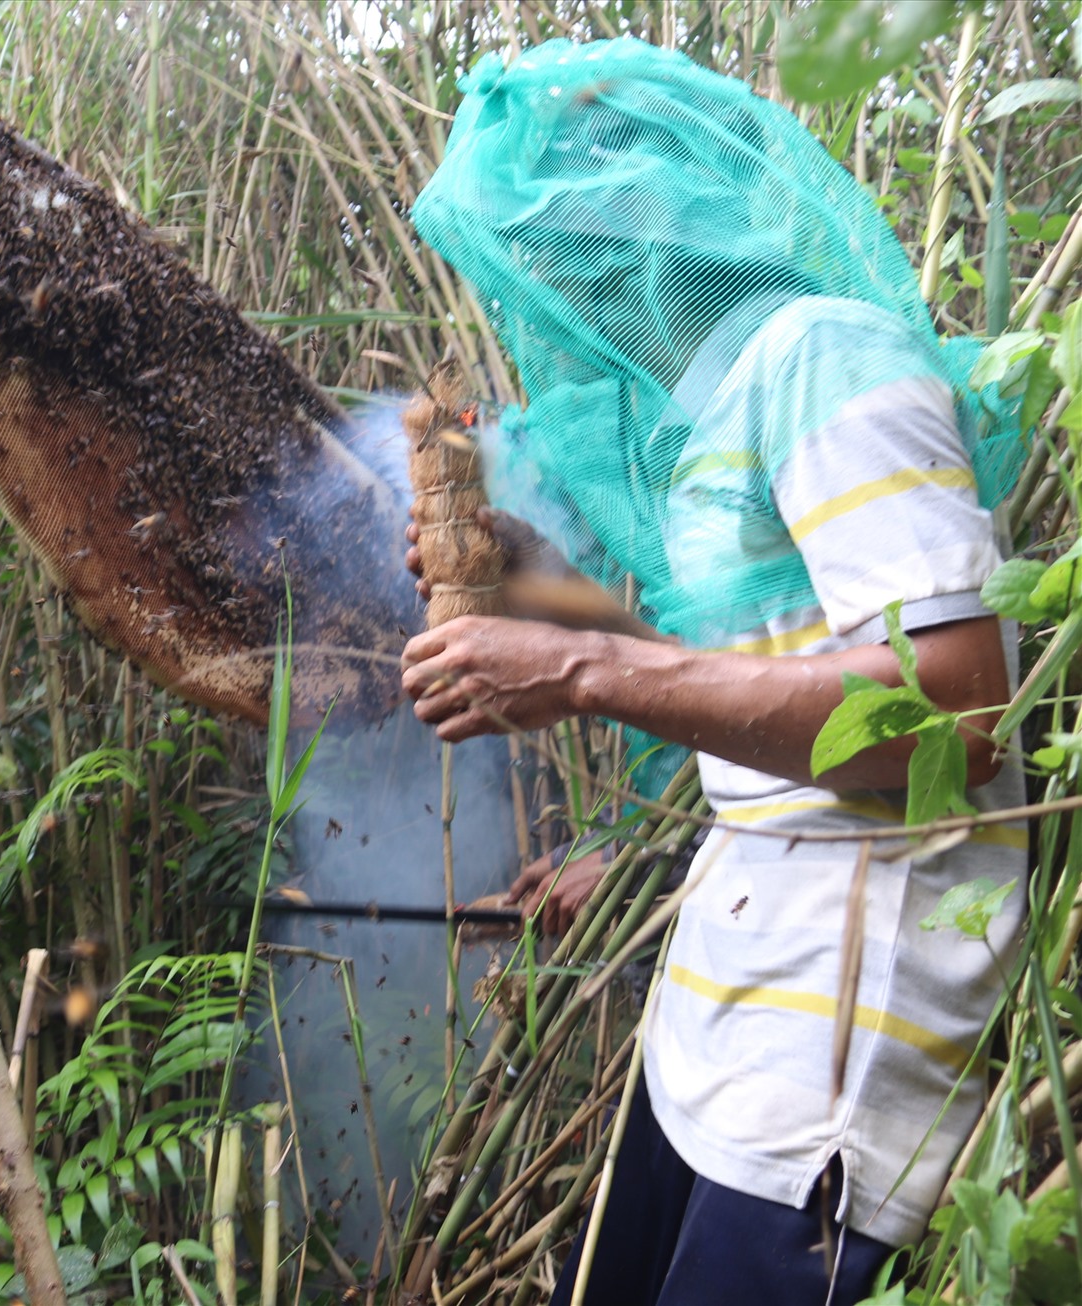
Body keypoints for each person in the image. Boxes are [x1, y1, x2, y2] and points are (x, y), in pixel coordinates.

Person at [399, 38, 1028, 1306]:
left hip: (823, 1072)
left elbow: (954, 710)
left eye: (573, 239)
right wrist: (536, 584)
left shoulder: (824, 358)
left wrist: (577, 666)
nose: (560, 282)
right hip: (720, 1020)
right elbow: (750, 674)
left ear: (661, 216)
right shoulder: (726, 404)